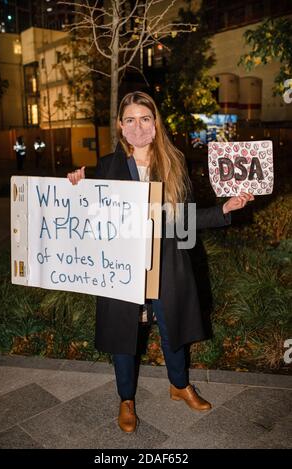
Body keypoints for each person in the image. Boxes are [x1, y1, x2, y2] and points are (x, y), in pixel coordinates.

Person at [67, 91, 254, 433]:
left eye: (145, 118)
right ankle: (126, 398)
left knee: (174, 329)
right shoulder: (108, 165)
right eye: (130, 120)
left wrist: (224, 211)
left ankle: (179, 385)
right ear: (121, 127)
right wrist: (77, 190)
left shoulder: (175, 161)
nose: (137, 126)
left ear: (155, 124)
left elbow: (185, 219)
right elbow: (91, 217)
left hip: (167, 261)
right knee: (123, 332)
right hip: (122, 265)